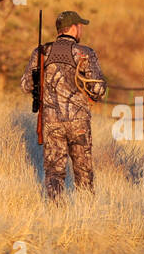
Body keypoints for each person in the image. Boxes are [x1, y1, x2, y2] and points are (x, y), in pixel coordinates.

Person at [21, 10, 107, 200]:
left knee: (54, 172)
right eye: (80, 26)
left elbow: (26, 85)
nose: (81, 30)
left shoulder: (42, 52)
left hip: (51, 122)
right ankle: (87, 212)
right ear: (75, 28)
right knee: (83, 172)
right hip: (78, 123)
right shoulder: (84, 53)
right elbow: (99, 90)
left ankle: (56, 213)